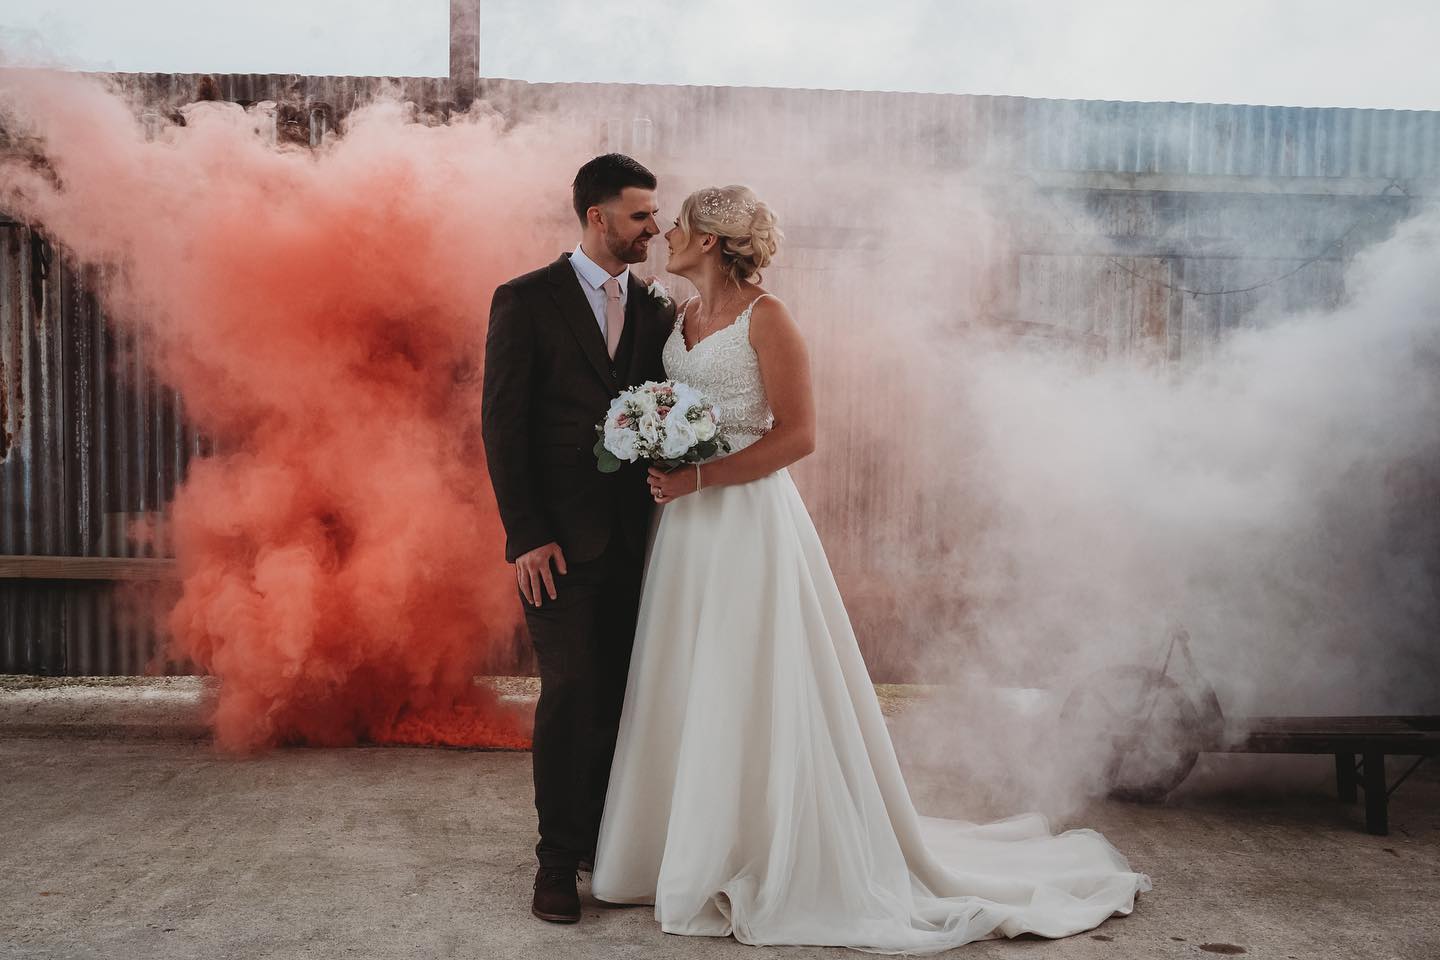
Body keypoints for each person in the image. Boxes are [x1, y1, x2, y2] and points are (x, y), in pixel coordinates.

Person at [590, 184, 1151, 952]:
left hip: (746, 519)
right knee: (692, 676)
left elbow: (801, 435)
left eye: (679, 226)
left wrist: (701, 478)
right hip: (685, 531)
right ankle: (680, 848)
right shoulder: (678, 317)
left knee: (750, 674)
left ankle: (762, 848)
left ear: (713, 241)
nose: (668, 236)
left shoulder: (769, 319)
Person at [481, 153, 673, 924]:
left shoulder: (659, 309)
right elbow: (503, 424)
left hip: (645, 540)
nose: (654, 229)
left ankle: (609, 847)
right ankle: (556, 863)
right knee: (569, 694)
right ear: (597, 218)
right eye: (640, 216)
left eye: (654, 215)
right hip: (557, 546)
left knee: (628, 698)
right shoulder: (525, 300)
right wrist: (526, 534)